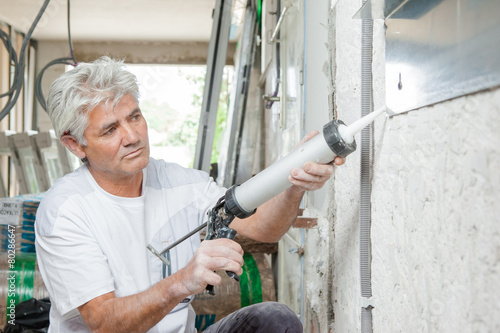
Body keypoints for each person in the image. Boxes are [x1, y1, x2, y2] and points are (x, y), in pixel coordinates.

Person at [34, 56, 345, 333]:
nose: (132, 136)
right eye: (110, 130)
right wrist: (182, 282)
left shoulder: (178, 183)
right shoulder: (65, 211)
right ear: (75, 144)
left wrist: (294, 185)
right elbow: (105, 323)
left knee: (274, 319)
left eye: (134, 117)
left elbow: (264, 227)